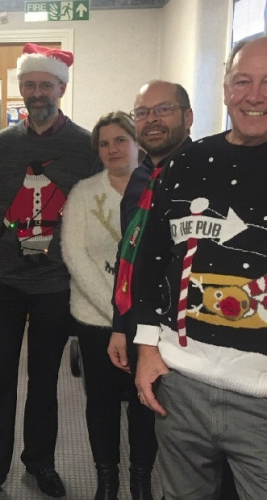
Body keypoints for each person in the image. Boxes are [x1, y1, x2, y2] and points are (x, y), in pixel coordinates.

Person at [0, 43, 100, 500]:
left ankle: (40, 461)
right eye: (29, 85)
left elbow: (94, 209)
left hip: (56, 285)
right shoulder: (1, 145)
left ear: (61, 87)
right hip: (3, 281)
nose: (37, 92)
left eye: (46, 84)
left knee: (45, 378)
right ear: (21, 89)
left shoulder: (85, 146)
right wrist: (4, 248)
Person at [134, 36, 267, 499]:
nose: (255, 95)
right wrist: (147, 347)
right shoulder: (187, 161)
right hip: (181, 381)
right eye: (243, 81)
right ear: (227, 89)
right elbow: (151, 261)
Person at [107, 80, 193, 499]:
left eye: (164, 110)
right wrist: (121, 324)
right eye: (142, 112)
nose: (152, 120)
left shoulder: (201, 169)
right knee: (142, 410)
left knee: (185, 429)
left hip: (187, 326)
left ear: (187, 117)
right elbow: (131, 259)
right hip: (141, 320)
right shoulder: (140, 178)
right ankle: (140, 485)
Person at [61, 111, 141, 500]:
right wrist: (118, 317)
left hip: (146, 324)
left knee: (146, 404)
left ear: (137, 142)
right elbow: (74, 255)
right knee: (103, 403)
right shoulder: (83, 192)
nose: (112, 149)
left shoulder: (157, 189)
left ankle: (141, 479)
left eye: (120, 140)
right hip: (96, 319)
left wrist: (133, 319)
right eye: (105, 143)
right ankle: (106, 479)